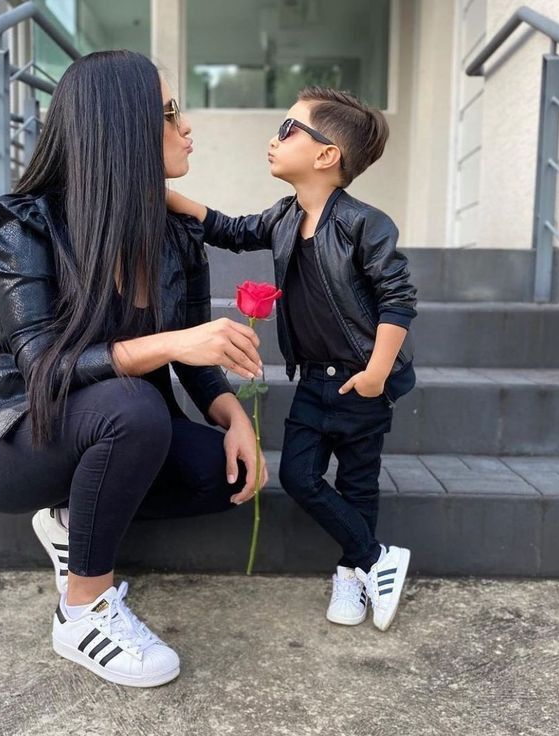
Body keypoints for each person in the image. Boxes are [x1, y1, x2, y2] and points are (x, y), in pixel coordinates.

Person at [0, 50, 269, 688]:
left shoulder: (174, 234)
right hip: (12, 437)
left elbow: (197, 365)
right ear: (123, 128)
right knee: (133, 407)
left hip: (114, 424)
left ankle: (70, 520)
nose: (187, 131)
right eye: (171, 114)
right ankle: (82, 611)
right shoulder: (28, 224)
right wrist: (173, 343)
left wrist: (236, 419)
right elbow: (40, 361)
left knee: (222, 474)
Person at [166, 86, 417, 632]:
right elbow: (230, 230)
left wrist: (376, 374)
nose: (274, 139)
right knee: (301, 477)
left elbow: (398, 298)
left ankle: (352, 574)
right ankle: (377, 558)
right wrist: (164, 195)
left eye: (288, 129)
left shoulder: (363, 223)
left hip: (360, 381)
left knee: (358, 482)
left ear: (326, 155)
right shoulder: (283, 217)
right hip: (312, 382)